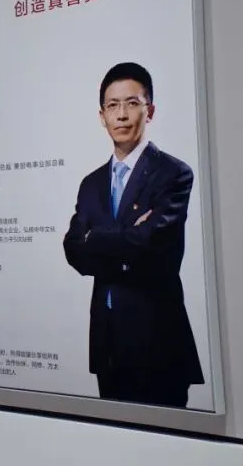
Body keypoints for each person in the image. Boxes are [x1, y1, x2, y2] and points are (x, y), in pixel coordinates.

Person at [62, 62, 203, 408]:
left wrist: (96, 240)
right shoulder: (91, 183)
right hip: (107, 343)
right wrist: (123, 239)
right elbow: (73, 250)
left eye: (132, 103)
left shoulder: (173, 173)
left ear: (149, 111)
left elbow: (151, 244)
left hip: (158, 343)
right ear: (102, 116)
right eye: (113, 105)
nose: (121, 115)